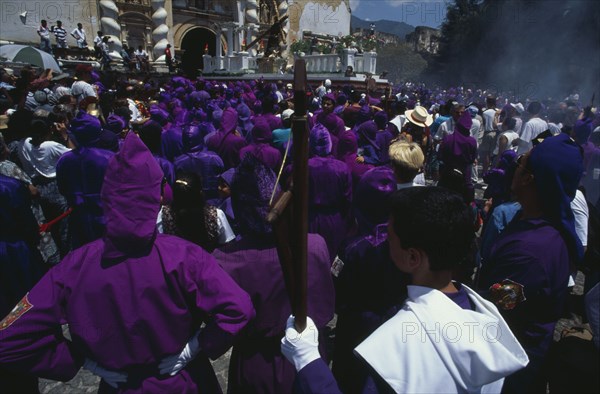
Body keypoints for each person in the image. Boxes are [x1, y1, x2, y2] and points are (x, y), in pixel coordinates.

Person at [0, 132, 255, 392]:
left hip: (119, 385)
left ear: (107, 198)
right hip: (182, 380)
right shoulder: (186, 255)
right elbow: (239, 308)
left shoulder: (73, 266)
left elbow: (8, 338)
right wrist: (197, 346)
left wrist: (83, 361)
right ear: (158, 198)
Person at [282, 187, 529, 393]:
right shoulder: (481, 310)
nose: (385, 240)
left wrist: (307, 359)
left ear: (413, 257)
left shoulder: (392, 342)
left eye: (390, 236)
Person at [211, 156, 335, 393]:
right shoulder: (315, 245)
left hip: (257, 365)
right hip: (306, 356)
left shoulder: (224, 259)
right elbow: (326, 307)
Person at [478, 133, 584, 393]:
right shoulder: (535, 224)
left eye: (521, 164)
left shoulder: (530, 253)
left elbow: (497, 308)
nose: (515, 169)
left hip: (506, 369)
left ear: (528, 178)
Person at [162, 172, 234, 252]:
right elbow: (227, 244)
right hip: (208, 262)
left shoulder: (163, 214)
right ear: (200, 193)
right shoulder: (216, 215)